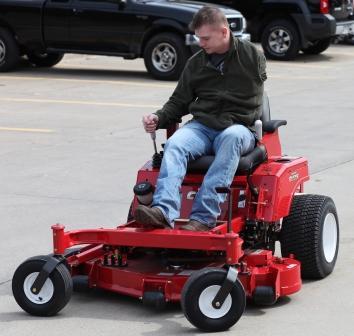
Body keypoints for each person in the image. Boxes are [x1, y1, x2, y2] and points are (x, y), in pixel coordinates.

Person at [135, 5, 267, 231]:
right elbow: (179, 101)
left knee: (231, 138)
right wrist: (158, 118)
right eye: (198, 38)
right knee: (175, 144)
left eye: (205, 38)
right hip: (203, 127)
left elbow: (255, 97)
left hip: (238, 126)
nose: (200, 43)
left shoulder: (251, 56)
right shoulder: (196, 63)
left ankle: (203, 218)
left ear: (224, 32)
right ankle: (163, 210)